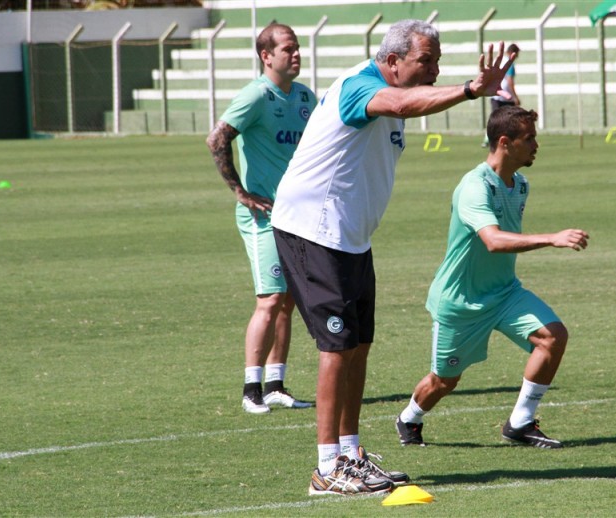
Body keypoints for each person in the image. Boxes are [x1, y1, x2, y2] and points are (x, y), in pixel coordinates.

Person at [269, 19, 515, 495]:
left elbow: (406, 102)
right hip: (312, 231)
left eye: (438, 61)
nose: (434, 70)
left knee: (358, 345)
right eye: (427, 61)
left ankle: (352, 455)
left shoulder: (391, 83)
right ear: (392, 60)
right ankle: (327, 467)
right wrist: (468, 90)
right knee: (336, 347)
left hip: (350, 238)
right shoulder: (362, 86)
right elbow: (401, 102)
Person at [396, 106, 589, 449]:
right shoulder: (474, 187)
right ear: (505, 142)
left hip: (504, 293)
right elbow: (494, 240)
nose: (536, 144)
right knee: (444, 381)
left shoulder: (520, 184)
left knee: (553, 337)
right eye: (528, 138)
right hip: (460, 303)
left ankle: (520, 423)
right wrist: (551, 238)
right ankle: (409, 417)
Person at [206, 23, 315, 415]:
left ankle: (275, 385)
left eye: (298, 48)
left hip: (297, 215)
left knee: (287, 301)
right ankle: (250, 389)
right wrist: (240, 191)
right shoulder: (255, 95)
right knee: (268, 300)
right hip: (263, 217)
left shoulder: (305, 97)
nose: (296, 54)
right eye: (288, 49)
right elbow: (217, 139)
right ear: (266, 56)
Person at [483, 43, 520, 147]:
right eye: (517, 54)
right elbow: (510, 81)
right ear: (513, 53)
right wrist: (515, 97)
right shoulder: (510, 63)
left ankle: (488, 140)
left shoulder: (498, 60)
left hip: (495, 94)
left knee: (494, 119)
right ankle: (513, 140)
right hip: (506, 96)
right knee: (510, 120)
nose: (517, 56)